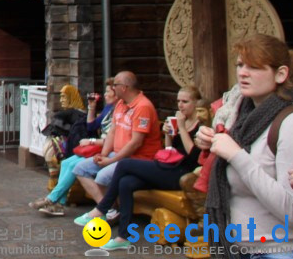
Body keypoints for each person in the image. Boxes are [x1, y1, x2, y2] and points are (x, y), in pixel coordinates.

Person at [194, 34, 293, 257]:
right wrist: (207, 143)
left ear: (280, 74)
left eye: (255, 67)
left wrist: (237, 156)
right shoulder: (241, 118)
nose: (242, 72)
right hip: (242, 249)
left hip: (282, 251)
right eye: (240, 64)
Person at [73, 85, 208, 248]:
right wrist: (168, 136)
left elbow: (194, 156)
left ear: (195, 103)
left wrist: (183, 129)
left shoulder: (201, 127)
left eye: (185, 102)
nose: (180, 105)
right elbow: (169, 151)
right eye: (178, 101)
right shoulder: (180, 121)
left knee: (124, 164)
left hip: (182, 175)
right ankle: (123, 237)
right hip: (168, 167)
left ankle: (102, 208)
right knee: (126, 183)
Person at [68, 71, 162, 209]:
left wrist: (111, 160)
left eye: (115, 85)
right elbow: (112, 131)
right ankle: (108, 209)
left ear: (124, 87)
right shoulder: (120, 104)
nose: (113, 88)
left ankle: (106, 209)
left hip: (138, 158)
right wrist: (103, 155)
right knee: (80, 169)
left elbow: (136, 142)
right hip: (117, 155)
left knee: (102, 177)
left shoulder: (142, 107)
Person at [32, 78, 116, 216]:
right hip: (99, 146)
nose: (105, 94)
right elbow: (91, 126)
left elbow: (113, 139)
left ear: (117, 93)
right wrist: (91, 107)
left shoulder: (119, 111)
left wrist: (91, 141)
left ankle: (52, 199)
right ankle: (60, 203)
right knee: (66, 162)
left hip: (106, 149)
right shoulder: (108, 108)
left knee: (74, 166)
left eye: (108, 91)